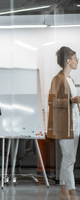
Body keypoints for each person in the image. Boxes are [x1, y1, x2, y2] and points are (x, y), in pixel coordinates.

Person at [47, 46, 80, 200]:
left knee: (70, 159)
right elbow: (52, 101)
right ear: (68, 61)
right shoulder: (58, 79)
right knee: (68, 157)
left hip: (74, 124)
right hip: (64, 126)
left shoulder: (71, 80)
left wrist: (75, 103)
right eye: (75, 58)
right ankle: (70, 191)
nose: (77, 61)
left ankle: (64, 190)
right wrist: (72, 100)